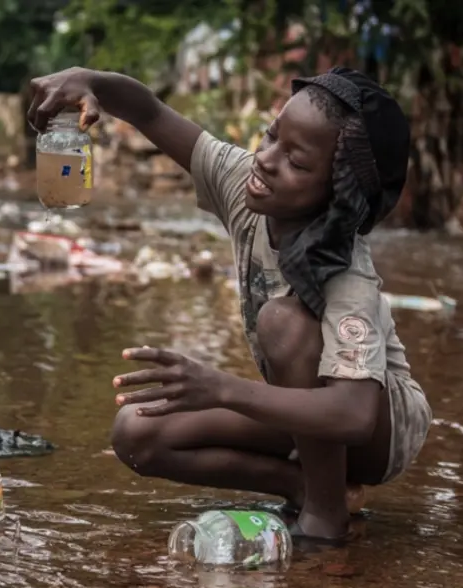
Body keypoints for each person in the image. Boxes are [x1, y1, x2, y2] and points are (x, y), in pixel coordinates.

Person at [26, 66, 433, 542]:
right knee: (137, 433)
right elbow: (150, 111)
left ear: (337, 199)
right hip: (310, 412)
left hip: (381, 431)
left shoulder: (348, 273)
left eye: (297, 163)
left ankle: (325, 521)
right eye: (271, 136)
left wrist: (221, 389)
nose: (266, 159)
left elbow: (355, 414)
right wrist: (89, 81)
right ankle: (303, 487)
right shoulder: (245, 185)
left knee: (283, 322)